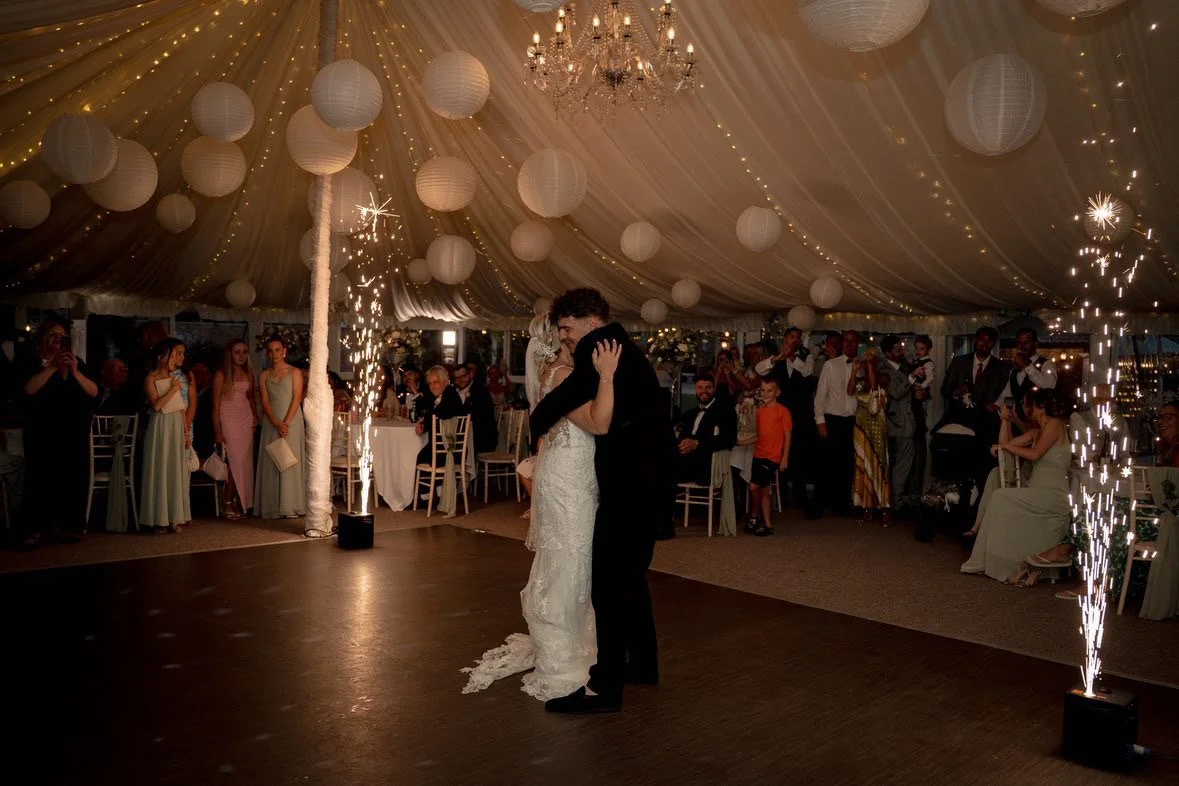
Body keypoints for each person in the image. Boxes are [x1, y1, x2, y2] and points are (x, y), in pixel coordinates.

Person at [528, 288, 677, 714]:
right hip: (648, 485)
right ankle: (643, 664)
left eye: (567, 328)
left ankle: (604, 687)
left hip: (630, 488)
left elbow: (563, 401)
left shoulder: (600, 347)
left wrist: (537, 420)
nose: (565, 337)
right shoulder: (621, 345)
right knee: (631, 579)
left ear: (590, 321)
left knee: (609, 585)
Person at [461, 318, 621, 701]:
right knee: (571, 559)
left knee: (567, 557)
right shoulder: (563, 375)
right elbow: (597, 423)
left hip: (566, 473)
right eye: (571, 331)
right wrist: (607, 376)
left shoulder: (554, 370)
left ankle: (570, 643)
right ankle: (563, 658)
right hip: (569, 480)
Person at [961, 388, 1072, 583]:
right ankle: (990, 559)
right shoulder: (1037, 431)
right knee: (999, 492)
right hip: (1036, 490)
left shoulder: (1054, 424)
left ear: (1038, 406)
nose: (1025, 407)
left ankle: (990, 560)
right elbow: (1006, 444)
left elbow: (1034, 454)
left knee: (1000, 496)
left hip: (1053, 495)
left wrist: (1006, 446)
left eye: (1028, 404)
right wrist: (1005, 421)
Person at [17, 315, 98, 546]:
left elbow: (93, 391)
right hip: (42, 431)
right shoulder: (31, 361)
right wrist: (52, 367)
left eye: (62, 336)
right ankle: (35, 528)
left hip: (71, 432)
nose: (57, 339)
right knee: (40, 478)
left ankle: (64, 526)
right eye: (52, 335)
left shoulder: (75, 362)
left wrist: (75, 372)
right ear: (42, 337)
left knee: (70, 478)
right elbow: (28, 390)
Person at [757, 327, 818, 515]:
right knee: (777, 452)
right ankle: (778, 497)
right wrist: (777, 358)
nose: (795, 340)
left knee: (798, 454)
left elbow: (807, 372)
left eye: (798, 338)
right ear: (785, 338)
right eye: (792, 337)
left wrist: (791, 357)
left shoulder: (807, 356)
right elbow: (759, 369)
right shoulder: (776, 357)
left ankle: (799, 496)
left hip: (800, 414)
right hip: (778, 414)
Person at [141, 338, 195, 533]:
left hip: (175, 425)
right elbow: (156, 405)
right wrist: (173, 389)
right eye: (171, 356)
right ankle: (158, 519)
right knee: (160, 467)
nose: (174, 359)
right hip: (160, 425)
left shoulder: (175, 378)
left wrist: (186, 432)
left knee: (175, 468)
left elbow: (181, 407)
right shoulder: (151, 378)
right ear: (160, 358)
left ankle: (174, 517)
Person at [256, 335, 306, 519]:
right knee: (272, 458)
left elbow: (297, 397)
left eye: (277, 350)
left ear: (284, 351)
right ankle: (272, 506)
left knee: (290, 460)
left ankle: (291, 505)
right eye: (270, 351)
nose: (274, 354)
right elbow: (265, 401)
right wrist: (275, 422)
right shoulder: (263, 375)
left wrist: (286, 423)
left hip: (292, 421)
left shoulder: (295, 372)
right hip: (272, 421)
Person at [814, 330, 860, 517]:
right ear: (842, 343)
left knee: (847, 464)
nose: (849, 344)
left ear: (858, 344)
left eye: (853, 341)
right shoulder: (831, 365)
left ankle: (841, 504)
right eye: (846, 340)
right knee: (826, 464)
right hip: (832, 419)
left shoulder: (862, 366)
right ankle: (819, 504)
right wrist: (820, 422)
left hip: (852, 421)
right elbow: (820, 396)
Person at [213, 339, 257, 519]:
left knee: (245, 463)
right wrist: (218, 432)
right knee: (234, 462)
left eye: (244, 351)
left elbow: (251, 397)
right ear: (229, 354)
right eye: (237, 352)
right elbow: (215, 405)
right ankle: (227, 502)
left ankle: (241, 501)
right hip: (228, 419)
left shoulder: (249, 372)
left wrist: (255, 417)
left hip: (245, 418)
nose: (241, 356)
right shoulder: (221, 374)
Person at [849, 349, 892, 524]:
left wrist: (870, 364)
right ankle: (866, 507)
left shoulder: (883, 380)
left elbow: (874, 391)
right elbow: (849, 390)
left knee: (879, 466)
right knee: (863, 466)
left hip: (877, 431)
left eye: (871, 361)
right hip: (861, 429)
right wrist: (854, 371)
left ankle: (885, 508)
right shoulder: (861, 382)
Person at [880, 336, 920, 515]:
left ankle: (897, 498)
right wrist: (911, 378)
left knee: (901, 464)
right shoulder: (883, 369)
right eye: (897, 350)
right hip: (897, 423)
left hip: (904, 422)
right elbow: (895, 392)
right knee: (901, 464)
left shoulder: (903, 366)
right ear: (887, 353)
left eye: (901, 348)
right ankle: (895, 501)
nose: (901, 352)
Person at [747, 378, 792, 536]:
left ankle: (755, 514)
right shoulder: (760, 411)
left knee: (753, 486)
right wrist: (742, 441)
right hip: (758, 454)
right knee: (764, 489)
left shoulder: (782, 411)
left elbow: (787, 436)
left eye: (769, 391)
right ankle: (767, 524)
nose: (765, 394)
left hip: (772, 457)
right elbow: (760, 435)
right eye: (763, 390)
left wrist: (785, 457)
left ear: (777, 392)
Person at [675, 373, 737, 485]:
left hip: (707, 465)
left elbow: (729, 440)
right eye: (700, 387)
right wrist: (683, 446)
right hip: (685, 460)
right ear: (695, 390)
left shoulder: (725, 411)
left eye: (708, 387)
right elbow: (682, 436)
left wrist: (697, 443)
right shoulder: (690, 413)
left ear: (714, 389)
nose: (704, 391)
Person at [415, 366, 465, 468]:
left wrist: (425, 422)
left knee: (414, 455)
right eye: (430, 383)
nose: (432, 386)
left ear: (445, 382)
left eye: (436, 382)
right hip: (445, 448)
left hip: (448, 450)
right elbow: (428, 413)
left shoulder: (450, 395)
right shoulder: (441, 396)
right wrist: (423, 425)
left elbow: (437, 416)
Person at [454, 363, 498, 455]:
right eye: (457, 378)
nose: (460, 380)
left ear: (470, 375)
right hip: (460, 435)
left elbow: (482, 418)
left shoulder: (480, 391)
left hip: (480, 437)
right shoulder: (453, 392)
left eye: (463, 376)